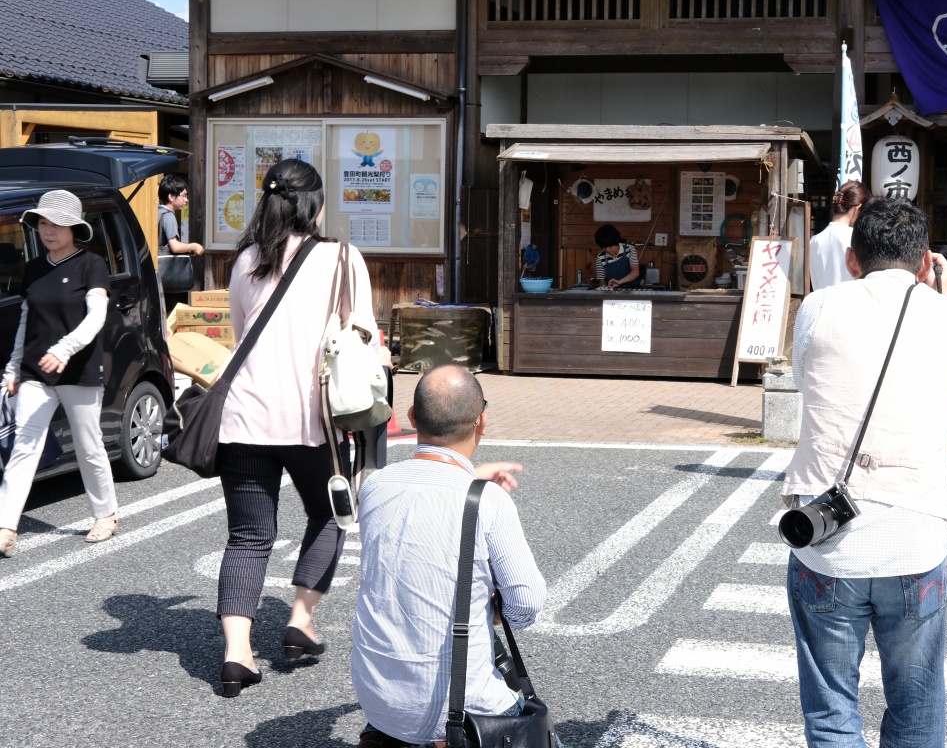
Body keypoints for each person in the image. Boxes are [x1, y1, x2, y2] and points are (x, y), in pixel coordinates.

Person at [781, 196, 947, 747]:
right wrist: (945, 302)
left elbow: (808, 379)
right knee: (917, 703)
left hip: (829, 541)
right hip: (915, 540)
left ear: (853, 261)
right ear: (927, 262)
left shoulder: (818, 306)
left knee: (831, 707)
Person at [214, 158, 375, 697]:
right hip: (313, 420)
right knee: (332, 513)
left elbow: (242, 335)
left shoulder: (244, 262)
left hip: (243, 417)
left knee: (248, 536)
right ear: (314, 204)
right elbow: (364, 336)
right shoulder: (343, 258)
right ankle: (300, 620)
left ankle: (238, 655)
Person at [352, 365, 548, 748]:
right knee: (535, 724)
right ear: (482, 422)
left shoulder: (374, 486)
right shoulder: (489, 502)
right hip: (462, 711)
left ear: (411, 418)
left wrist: (470, 475)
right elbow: (526, 605)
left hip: (380, 702)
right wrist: (491, 610)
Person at [1, 190, 118, 557]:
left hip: (79, 368)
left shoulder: (91, 264)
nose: (47, 231)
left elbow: (95, 318)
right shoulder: (35, 268)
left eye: (56, 224)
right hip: (36, 370)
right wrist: (13, 365)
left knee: (88, 445)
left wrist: (64, 349)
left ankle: (106, 514)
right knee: (24, 445)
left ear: (74, 228)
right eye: (42, 223)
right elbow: (26, 319)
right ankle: (6, 526)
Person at [808, 179, 868, 290]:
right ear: (858, 208)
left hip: (820, 305)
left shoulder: (814, 241)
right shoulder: (856, 238)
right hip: (849, 305)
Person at [157, 174, 205, 258]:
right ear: (171, 197)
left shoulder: (157, 212)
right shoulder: (168, 215)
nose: (186, 200)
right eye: (183, 195)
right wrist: (194, 246)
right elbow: (175, 246)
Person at [594, 223, 641, 288]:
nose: (608, 250)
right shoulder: (600, 258)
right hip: (613, 292)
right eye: (604, 247)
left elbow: (635, 272)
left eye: (610, 246)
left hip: (632, 290)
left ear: (616, 242)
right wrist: (605, 289)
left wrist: (620, 281)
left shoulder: (629, 249)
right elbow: (602, 280)